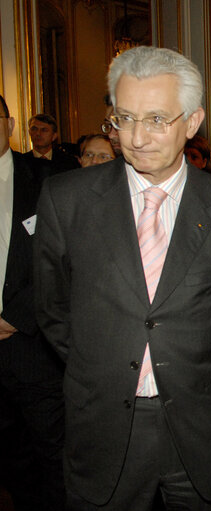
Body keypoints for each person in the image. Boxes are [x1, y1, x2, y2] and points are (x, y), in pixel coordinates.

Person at [34, 46, 211, 510]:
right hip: (105, 429)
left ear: (192, 123)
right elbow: (53, 311)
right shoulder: (66, 199)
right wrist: (107, 363)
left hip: (201, 430)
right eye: (124, 118)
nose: (136, 137)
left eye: (156, 119)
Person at [0, 94, 65, 511]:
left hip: (29, 347)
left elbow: (58, 260)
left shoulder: (46, 180)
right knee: (9, 463)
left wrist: (12, 318)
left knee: (51, 457)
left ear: (8, 124)